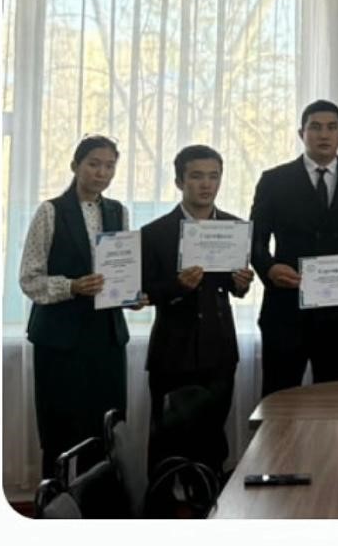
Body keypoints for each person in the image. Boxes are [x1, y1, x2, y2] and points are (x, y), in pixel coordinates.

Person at [19, 135, 146, 478]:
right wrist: (72, 286)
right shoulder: (50, 211)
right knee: (60, 430)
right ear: (75, 166)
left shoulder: (118, 211)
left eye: (109, 166)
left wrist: (131, 296)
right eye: (94, 164)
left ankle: (99, 501)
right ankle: (55, 500)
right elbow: (29, 278)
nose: (102, 173)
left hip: (106, 337)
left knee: (106, 430)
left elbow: (120, 271)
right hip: (60, 339)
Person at [250, 100, 338, 397]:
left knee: (335, 402)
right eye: (316, 127)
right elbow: (254, 239)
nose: (324, 134)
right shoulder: (274, 180)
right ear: (301, 133)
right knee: (279, 400)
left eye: (332, 128)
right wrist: (269, 268)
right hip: (286, 308)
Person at [142, 145, 254, 476]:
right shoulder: (156, 232)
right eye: (196, 176)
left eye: (213, 176)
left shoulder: (234, 227)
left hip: (220, 349)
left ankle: (211, 501)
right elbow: (144, 292)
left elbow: (235, 289)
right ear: (180, 181)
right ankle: (162, 502)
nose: (206, 184)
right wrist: (178, 286)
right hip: (172, 351)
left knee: (212, 441)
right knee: (167, 443)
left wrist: (242, 283)